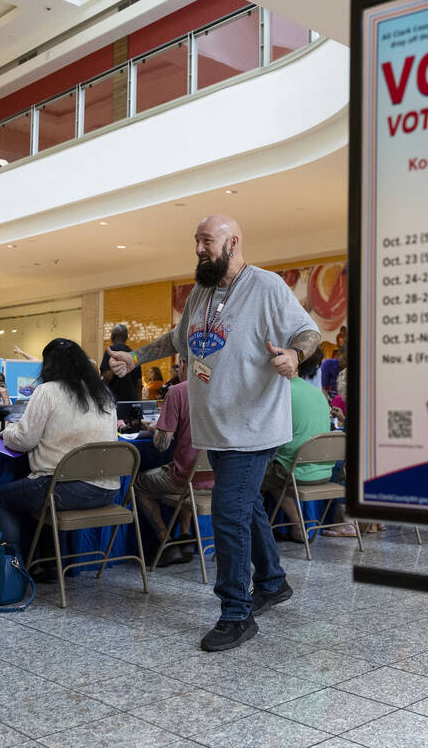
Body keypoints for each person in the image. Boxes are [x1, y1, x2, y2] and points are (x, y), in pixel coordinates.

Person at [108, 214, 321, 651]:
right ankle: (273, 580)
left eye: (207, 241)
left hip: (253, 426)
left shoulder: (267, 286)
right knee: (247, 510)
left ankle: (236, 613)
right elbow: (178, 338)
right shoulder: (202, 292)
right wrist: (137, 358)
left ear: (233, 242)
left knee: (227, 515)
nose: (199, 249)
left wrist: (294, 357)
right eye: (196, 241)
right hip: (215, 428)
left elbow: (308, 331)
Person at [0, 338, 120, 561]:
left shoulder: (47, 391)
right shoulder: (103, 393)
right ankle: (47, 563)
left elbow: (25, 440)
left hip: (64, 490)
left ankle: (12, 570)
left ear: (48, 364)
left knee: (0, 498)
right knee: (43, 490)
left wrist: (8, 432)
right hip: (108, 489)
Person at [133, 356, 214, 566]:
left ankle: (166, 543)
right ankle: (186, 537)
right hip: (219, 479)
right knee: (188, 473)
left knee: (139, 483)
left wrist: (159, 428)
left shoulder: (178, 391)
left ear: (185, 364)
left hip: (185, 480)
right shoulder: (226, 388)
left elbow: (162, 445)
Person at [259, 347, 337, 541]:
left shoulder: (282, 392)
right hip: (324, 472)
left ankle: (295, 524)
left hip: (295, 473)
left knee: (253, 475)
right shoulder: (320, 395)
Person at [99, 324, 142, 402]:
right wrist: (138, 405)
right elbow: (139, 384)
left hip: (113, 400)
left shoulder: (111, 351)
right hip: (131, 401)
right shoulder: (133, 355)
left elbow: (107, 376)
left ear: (113, 336)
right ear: (126, 337)